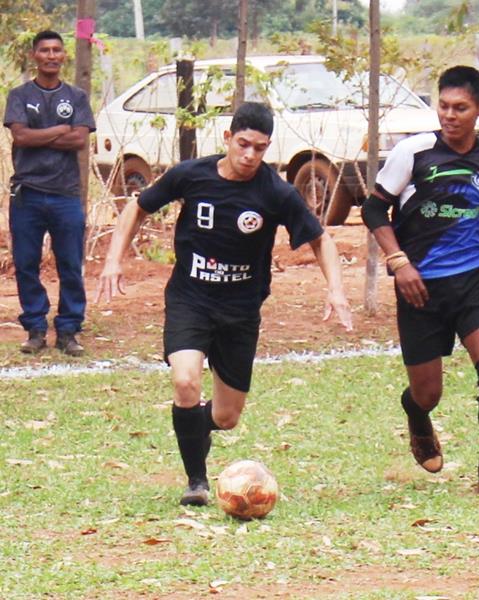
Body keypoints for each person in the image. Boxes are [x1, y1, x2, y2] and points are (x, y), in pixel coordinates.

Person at [96, 102, 353, 506]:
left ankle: (197, 429)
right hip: (190, 299)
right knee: (185, 381)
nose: (250, 155)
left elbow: (321, 239)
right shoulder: (192, 175)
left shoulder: (275, 192)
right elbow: (137, 207)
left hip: (240, 309)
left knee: (225, 417)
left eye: (260, 148)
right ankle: (196, 481)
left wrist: (336, 290)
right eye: (244, 144)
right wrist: (114, 261)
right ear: (228, 138)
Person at [361, 66, 479, 494]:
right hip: (419, 287)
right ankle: (415, 414)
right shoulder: (414, 153)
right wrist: (398, 261)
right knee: (427, 394)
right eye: (443, 106)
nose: (449, 115)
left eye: (460, 108)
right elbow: (374, 210)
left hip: (471, 283)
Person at [4, 30, 95, 356]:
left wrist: (37, 133)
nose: (52, 55)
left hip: (65, 194)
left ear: (64, 55)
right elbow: (20, 138)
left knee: (70, 263)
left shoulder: (77, 97)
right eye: (45, 50)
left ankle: (69, 330)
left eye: (57, 50)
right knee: (26, 263)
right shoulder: (18, 95)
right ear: (35, 55)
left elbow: (79, 140)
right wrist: (58, 130)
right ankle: (36, 328)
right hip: (27, 193)